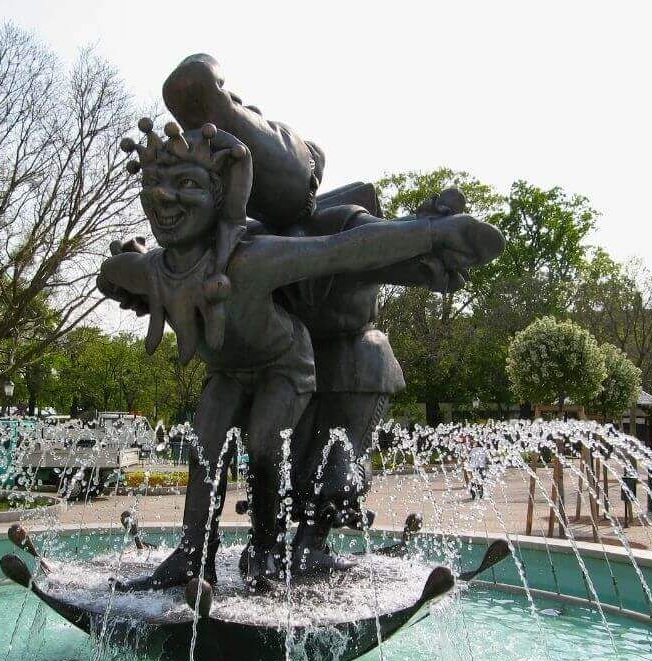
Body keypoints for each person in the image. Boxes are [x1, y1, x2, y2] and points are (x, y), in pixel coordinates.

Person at [97, 119, 502, 591]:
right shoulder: (152, 268)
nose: (164, 199)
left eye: (186, 185)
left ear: (220, 198)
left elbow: (342, 250)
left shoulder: (254, 256)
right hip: (229, 369)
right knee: (204, 445)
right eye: (153, 186)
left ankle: (266, 551)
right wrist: (123, 277)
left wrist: (432, 233)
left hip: (283, 365)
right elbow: (111, 273)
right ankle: (193, 556)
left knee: (265, 443)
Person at [162, 54, 483, 575]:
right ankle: (216, 548)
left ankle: (311, 538)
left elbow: (362, 250)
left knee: (360, 370)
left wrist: (425, 243)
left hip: (339, 362)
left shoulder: (339, 220)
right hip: (279, 367)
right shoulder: (245, 238)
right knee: (236, 432)